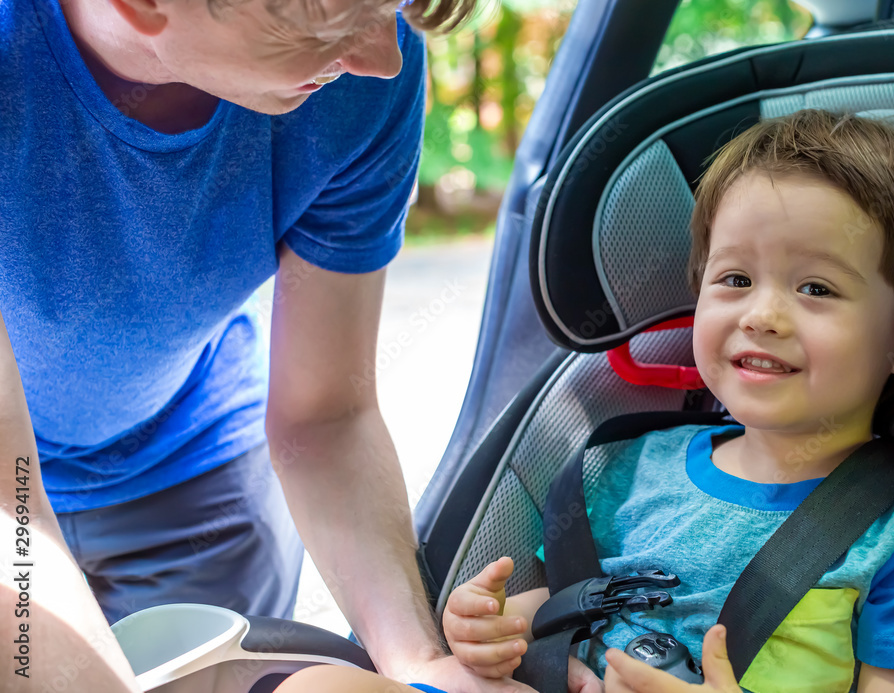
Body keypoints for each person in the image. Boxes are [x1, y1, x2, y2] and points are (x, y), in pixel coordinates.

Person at [0, 0, 534, 689]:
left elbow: (326, 418)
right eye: (331, 26)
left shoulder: (362, 77)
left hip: (193, 466)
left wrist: (419, 663)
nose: (385, 59)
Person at [438, 109, 894, 693]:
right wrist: (489, 628)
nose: (761, 316)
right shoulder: (628, 467)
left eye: (816, 288)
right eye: (736, 280)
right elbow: (568, 600)